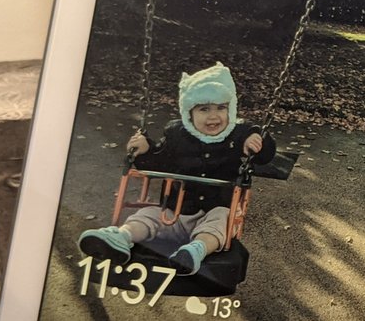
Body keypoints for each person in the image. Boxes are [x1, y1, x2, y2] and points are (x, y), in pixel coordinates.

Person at [78, 62, 276, 275]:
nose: (213, 116)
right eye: (204, 109)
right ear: (189, 112)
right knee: (147, 215)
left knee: (221, 220)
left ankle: (195, 251)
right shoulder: (176, 134)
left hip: (212, 213)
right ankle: (121, 237)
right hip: (173, 213)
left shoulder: (239, 134)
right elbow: (158, 162)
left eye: (221, 108)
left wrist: (256, 140)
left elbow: (264, 155)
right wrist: (144, 151)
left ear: (231, 108)